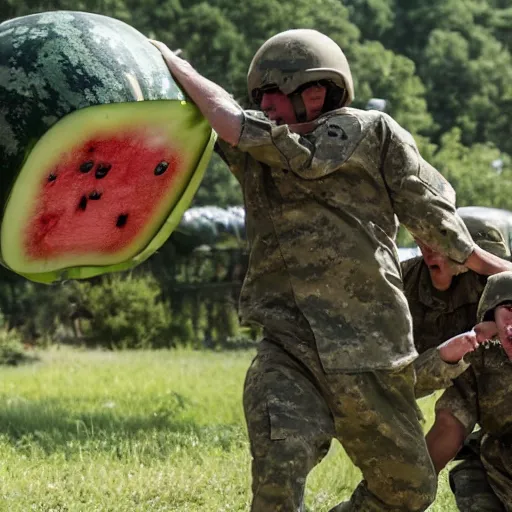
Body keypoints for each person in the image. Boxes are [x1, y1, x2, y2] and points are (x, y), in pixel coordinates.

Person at [151, 29, 512, 512]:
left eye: (276, 93)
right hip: (290, 346)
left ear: (317, 92)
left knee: (407, 489)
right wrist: (158, 71)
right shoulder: (255, 147)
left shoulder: (369, 131)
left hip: (371, 353)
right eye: (260, 97)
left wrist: (495, 267)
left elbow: (437, 221)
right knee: (281, 467)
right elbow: (210, 126)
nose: (267, 104)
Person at [426, 271, 512, 511]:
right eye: (508, 311)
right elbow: (448, 427)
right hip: (497, 475)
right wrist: (404, 492)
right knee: (472, 478)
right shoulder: (483, 360)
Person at [403, 211, 511, 398]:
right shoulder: (403, 279)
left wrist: (483, 263)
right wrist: (447, 356)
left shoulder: (498, 286)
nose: (430, 252)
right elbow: (391, 386)